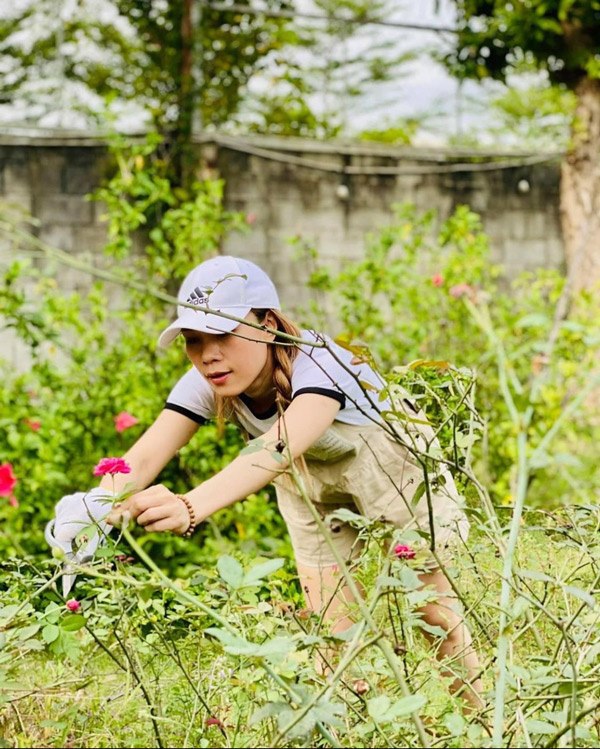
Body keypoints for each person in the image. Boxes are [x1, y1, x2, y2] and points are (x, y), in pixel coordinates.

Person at [46, 255, 484, 711]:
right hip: (306, 484)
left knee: (432, 616)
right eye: (194, 341)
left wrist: (190, 506)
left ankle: (480, 727)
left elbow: (275, 449)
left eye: (222, 333)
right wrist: (96, 504)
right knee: (331, 638)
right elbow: (143, 456)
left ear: (268, 323)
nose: (207, 354)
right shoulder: (206, 379)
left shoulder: (321, 363)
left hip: (394, 469)